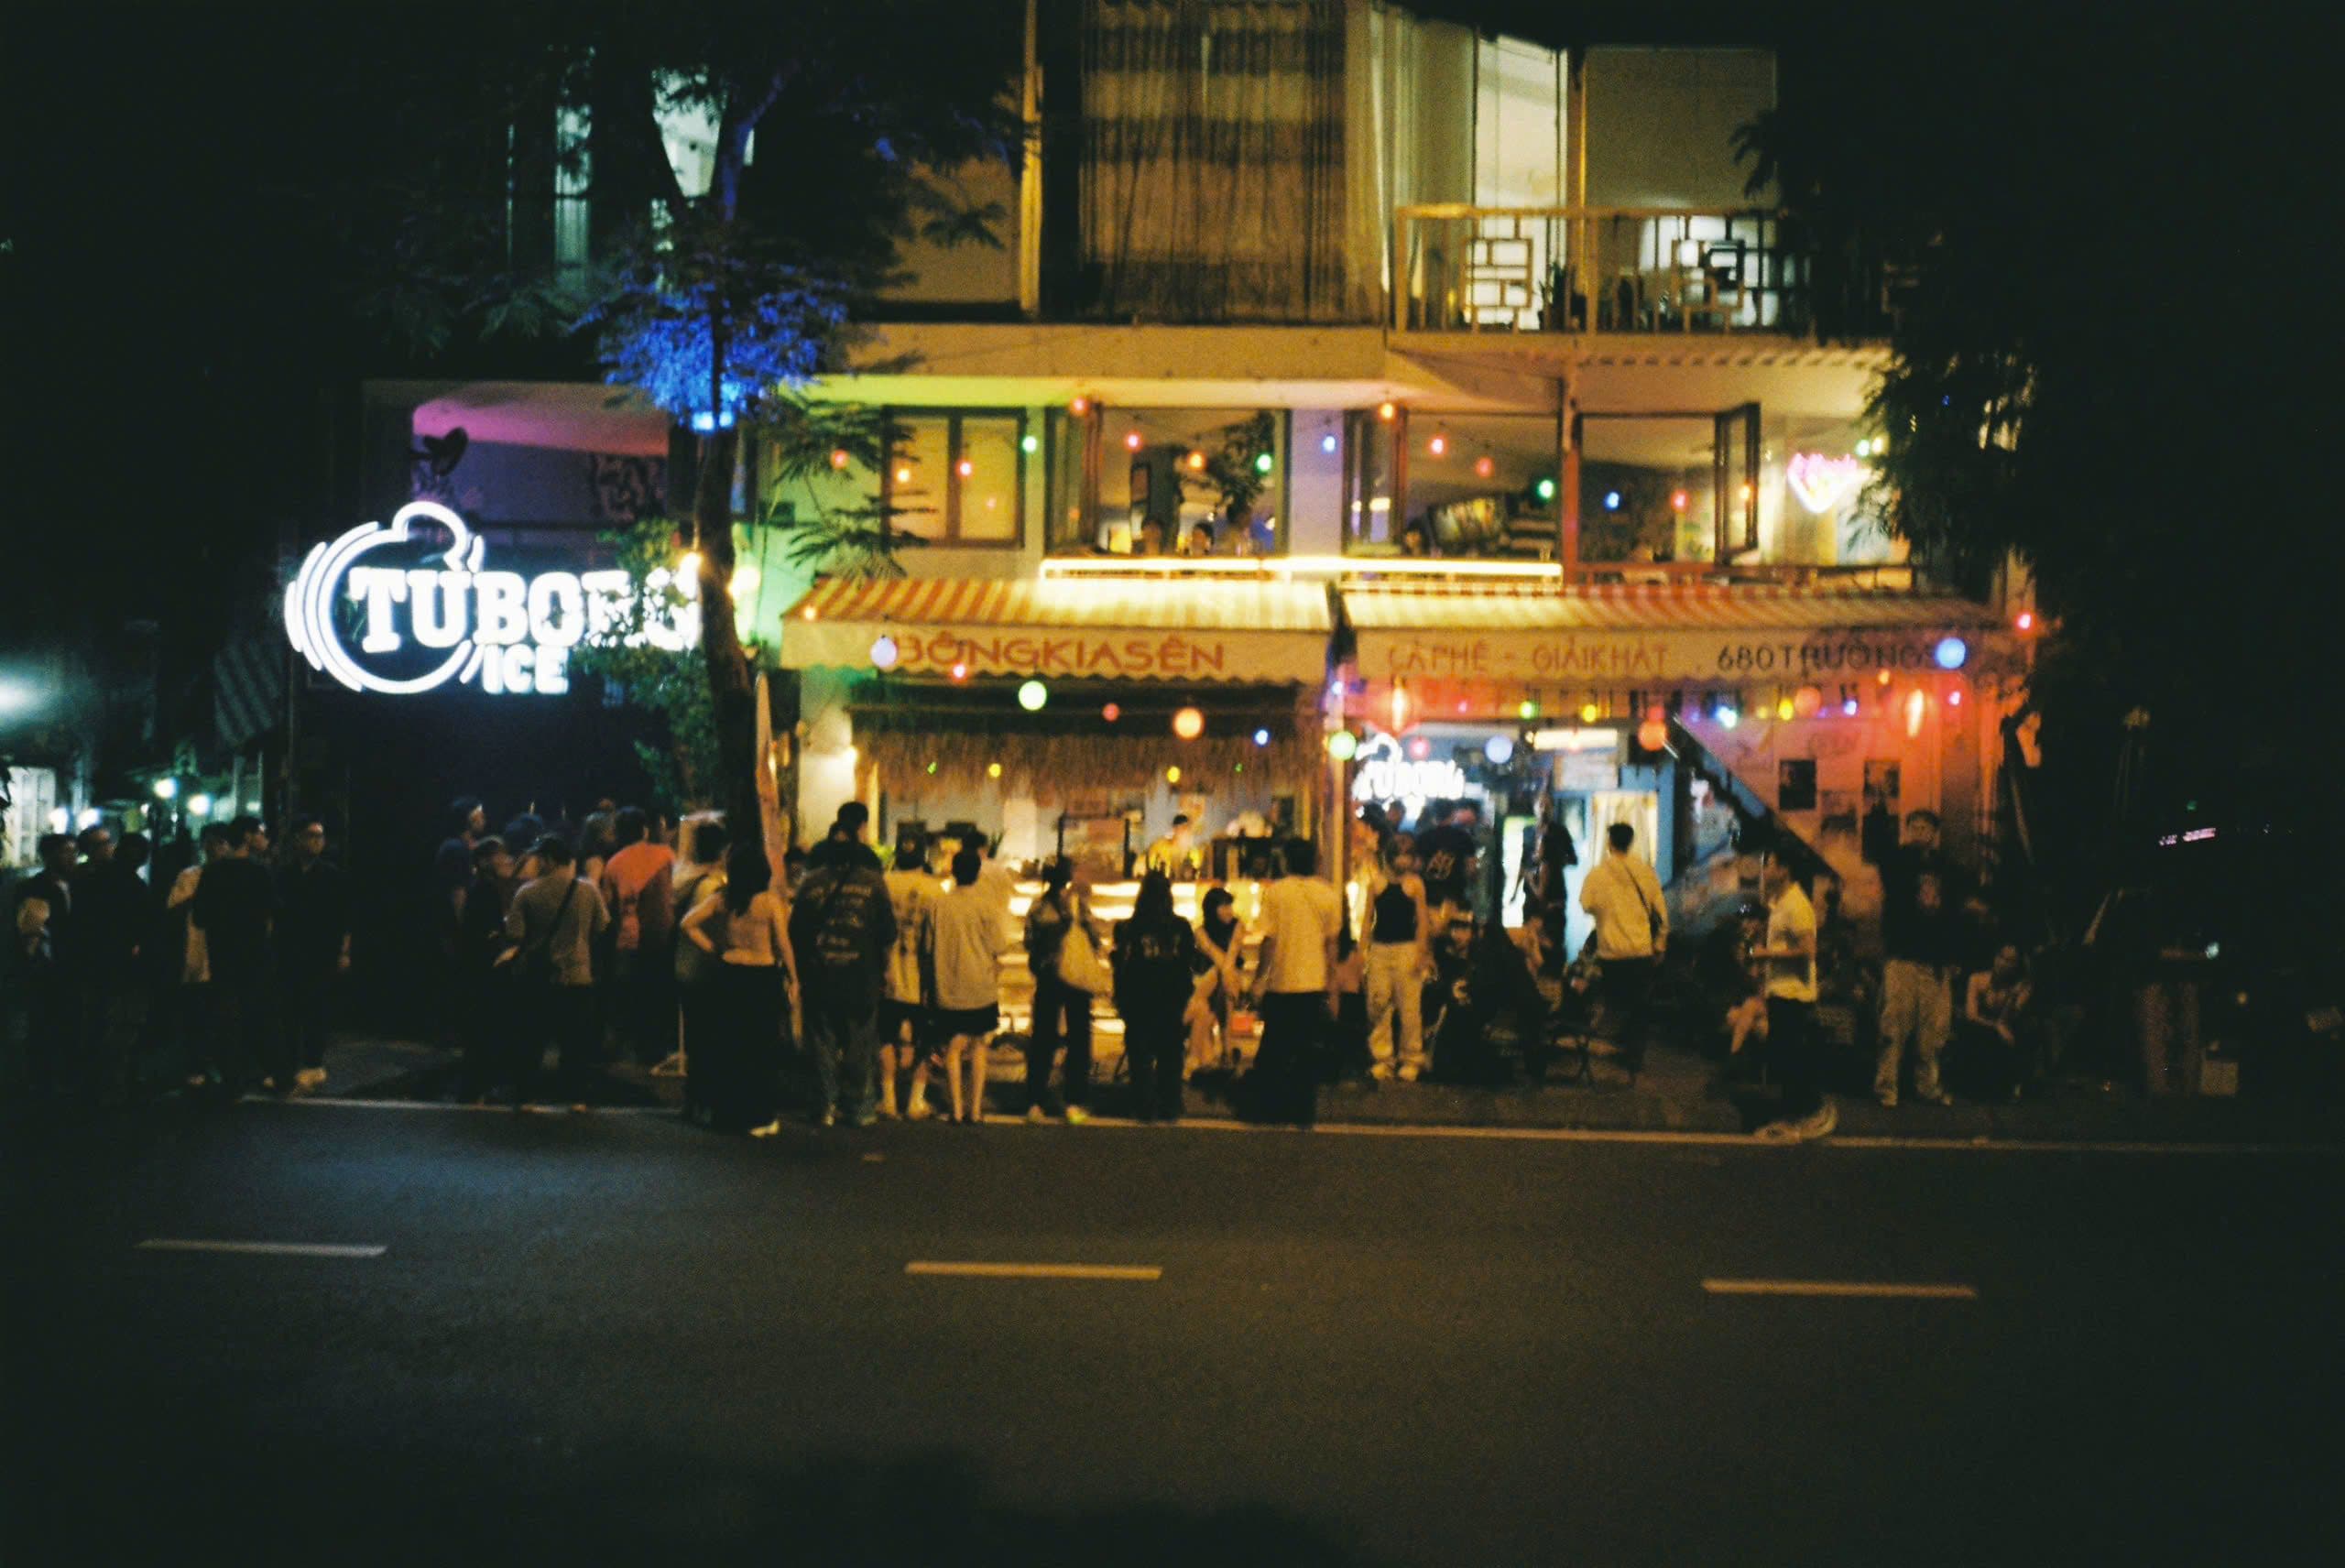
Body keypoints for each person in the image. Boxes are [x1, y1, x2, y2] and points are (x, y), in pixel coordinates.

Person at [790, 811, 897, 1127]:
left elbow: (796, 932)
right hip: (861, 976)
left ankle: (824, 1105)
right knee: (859, 1043)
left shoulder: (810, 884)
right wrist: (886, 971)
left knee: (822, 1043)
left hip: (820, 976)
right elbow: (888, 934)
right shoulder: (874, 884)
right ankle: (858, 1107)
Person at [682, 843, 798, 1135]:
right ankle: (760, 1115)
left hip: (730, 973)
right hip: (762, 976)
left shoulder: (724, 899)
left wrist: (713, 948)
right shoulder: (770, 903)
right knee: (761, 1048)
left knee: (731, 1046)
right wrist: (795, 979)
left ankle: (729, 1111)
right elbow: (783, 944)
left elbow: (688, 923)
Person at [502, 834, 610, 1112]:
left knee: (533, 1038)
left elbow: (515, 933)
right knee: (575, 1042)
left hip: (538, 977)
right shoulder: (588, 891)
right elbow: (602, 927)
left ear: (548, 860)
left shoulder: (527, 893)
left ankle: (526, 1096)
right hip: (578, 975)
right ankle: (576, 1097)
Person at [1874, 809, 1968, 1108]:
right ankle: (1887, 1087)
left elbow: (1952, 913)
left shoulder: (1945, 867)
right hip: (1903, 955)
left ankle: (1927, 1086)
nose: (1919, 832)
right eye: (1914, 826)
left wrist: (1952, 955)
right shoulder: (1899, 862)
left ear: (1934, 832)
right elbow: (1883, 856)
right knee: (1894, 1024)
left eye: (1925, 827)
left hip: (1934, 960)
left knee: (1933, 1029)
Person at [1249, 839, 1341, 1127]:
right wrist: (1333, 985)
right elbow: (1331, 945)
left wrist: (1259, 979)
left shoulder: (1276, 893)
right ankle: (1303, 1113)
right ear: (1315, 862)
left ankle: (1270, 1111)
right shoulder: (1329, 895)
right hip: (1313, 983)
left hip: (1281, 982)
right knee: (1306, 1052)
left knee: (1274, 1049)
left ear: (1286, 861)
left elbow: (1269, 941)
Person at [192, 817, 283, 1095]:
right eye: (260, 833)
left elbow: (200, 917)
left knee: (226, 1016)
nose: (264, 839)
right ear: (247, 836)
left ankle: (232, 1079)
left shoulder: (213, 872)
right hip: (255, 953)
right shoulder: (261, 872)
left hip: (223, 953)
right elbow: (273, 914)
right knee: (258, 1013)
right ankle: (271, 1073)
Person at [920, 846, 1009, 1125]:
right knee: (979, 1045)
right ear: (977, 873)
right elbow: (999, 945)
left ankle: (956, 1109)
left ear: (953, 872)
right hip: (980, 986)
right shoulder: (986, 905)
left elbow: (927, 946)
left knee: (953, 1048)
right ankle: (975, 1109)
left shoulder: (938, 905)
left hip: (948, 987)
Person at [1578, 821, 1669, 1079]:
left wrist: (1607, 910)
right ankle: (1633, 1057)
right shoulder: (1645, 872)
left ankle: (1617, 1050)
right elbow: (1661, 915)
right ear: (1631, 842)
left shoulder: (1597, 874)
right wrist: (1659, 944)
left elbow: (1586, 904)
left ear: (1609, 843)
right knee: (1639, 1006)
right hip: (1640, 952)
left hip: (1611, 953)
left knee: (1615, 1002)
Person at [1751, 859, 1834, 1140]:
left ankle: (1808, 1115)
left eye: (1770, 865)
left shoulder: (1796, 905)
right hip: (1781, 992)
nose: (1765, 871)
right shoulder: (1782, 903)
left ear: (1785, 869)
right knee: (1785, 1058)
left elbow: (1809, 951)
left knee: (1792, 1059)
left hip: (1794, 995)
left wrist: (1766, 955)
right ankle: (1794, 1118)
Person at [1114, 871, 1201, 1123]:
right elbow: (1188, 964)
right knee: (1171, 1053)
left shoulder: (1130, 927)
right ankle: (1170, 1104)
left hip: (1139, 996)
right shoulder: (1182, 927)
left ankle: (1144, 1105)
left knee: (1140, 1054)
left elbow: (1123, 964)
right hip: (1172, 997)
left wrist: (1121, 998)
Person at [275, 816, 352, 1094]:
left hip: (322, 952)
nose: (317, 841)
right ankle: (294, 1064)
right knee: (290, 1010)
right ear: (297, 839)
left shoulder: (332, 875)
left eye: (320, 836)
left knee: (316, 1008)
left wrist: (344, 951)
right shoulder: (283, 875)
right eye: (311, 836)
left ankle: (313, 1063)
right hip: (290, 951)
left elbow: (344, 917)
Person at [1022, 858, 1097, 1125]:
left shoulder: (1037, 907)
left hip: (1048, 979)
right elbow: (1094, 940)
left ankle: (1035, 1101)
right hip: (1076, 980)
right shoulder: (1078, 905)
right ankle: (1074, 1101)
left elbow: (1029, 942)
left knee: (1043, 1039)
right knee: (1079, 1039)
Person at [600, 806, 678, 1065]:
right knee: (658, 992)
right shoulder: (666, 855)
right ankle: (655, 1048)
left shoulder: (613, 864)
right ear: (645, 829)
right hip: (661, 935)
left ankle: (631, 1051)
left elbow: (607, 906)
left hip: (628, 938)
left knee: (632, 995)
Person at [877, 829, 943, 1120]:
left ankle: (888, 1100)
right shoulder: (935, 889)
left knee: (886, 1037)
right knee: (924, 1040)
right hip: (922, 978)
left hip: (887, 974)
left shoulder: (882, 884)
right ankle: (916, 1102)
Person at [13, 833, 80, 1097]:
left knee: (66, 1020)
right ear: (49, 856)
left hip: (70, 962)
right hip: (48, 965)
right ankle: (41, 1077)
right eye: (66, 852)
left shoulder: (78, 883)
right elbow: (32, 928)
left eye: (74, 851)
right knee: (44, 1021)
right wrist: (34, 960)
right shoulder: (36, 887)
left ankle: (61, 1074)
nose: (72, 857)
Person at [669, 818, 730, 1104]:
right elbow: (703, 927)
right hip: (704, 968)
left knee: (697, 1039)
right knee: (708, 1039)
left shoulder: (682, 877)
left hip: (685, 965)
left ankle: (696, 1098)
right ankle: (702, 1098)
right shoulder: (712, 888)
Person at [454, 836, 518, 1103]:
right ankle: (476, 1087)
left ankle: (476, 1086)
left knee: (482, 1027)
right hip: (485, 968)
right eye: (499, 855)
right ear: (483, 861)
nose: (506, 859)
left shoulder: (485, 888)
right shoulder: (486, 890)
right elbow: (487, 933)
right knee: (485, 1026)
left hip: (479, 967)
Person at [1364, 833, 1433, 1082]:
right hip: (1380, 949)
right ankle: (1382, 1059)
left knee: (1410, 1007)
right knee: (1378, 1003)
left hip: (1407, 948)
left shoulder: (1415, 884)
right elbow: (1367, 919)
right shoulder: (1376, 883)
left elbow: (1423, 920)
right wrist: (1363, 951)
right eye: (1400, 853)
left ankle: (1411, 1058)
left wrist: (1422, 952)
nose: (1404, 859)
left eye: (1408, 853)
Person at [1964, 942, 2037, 1102]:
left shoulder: (2022, 986)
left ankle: (2014, 1084)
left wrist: (2013, 996)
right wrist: (1996, 1026)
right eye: (2001, 957)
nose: (2003, 963)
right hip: (1984, 1029)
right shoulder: (1977, 979)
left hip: (2009, 1030)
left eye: (2010, 961)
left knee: (2026, 1030)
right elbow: (1971, 1015)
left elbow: (2009, 1019)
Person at [1188, 886, 1247, 1073]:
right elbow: (1215, 955)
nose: (1229, 910)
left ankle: (1214, 1051)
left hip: (1224, 981)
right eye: (1223, 906)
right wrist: (1228, 978)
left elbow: (1231, 957)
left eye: (1230, 905)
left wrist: (1227, 976)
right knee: (1220, 977)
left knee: (1223, 976)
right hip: (1207, 981)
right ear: (1211, 909)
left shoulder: (1238, 925)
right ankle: (1227, 1048)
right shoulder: (1200, 931)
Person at [1415, 802, 1482, 927]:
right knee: (1454, 937)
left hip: (1428, 898)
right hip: (1455, 897)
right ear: (1452, 814)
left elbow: (1417, 867)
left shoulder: (1423, 837)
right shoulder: (1464, 838)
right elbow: (1471, 870)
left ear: (1434, 816)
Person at [1142, 815, 1198, 880]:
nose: (1183, 832)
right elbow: (1149, 864)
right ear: (1174, 829)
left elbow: (1195, 873)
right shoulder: (1160, 846)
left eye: (1185, 829)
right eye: (1180, 828)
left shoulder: (1193, 852)